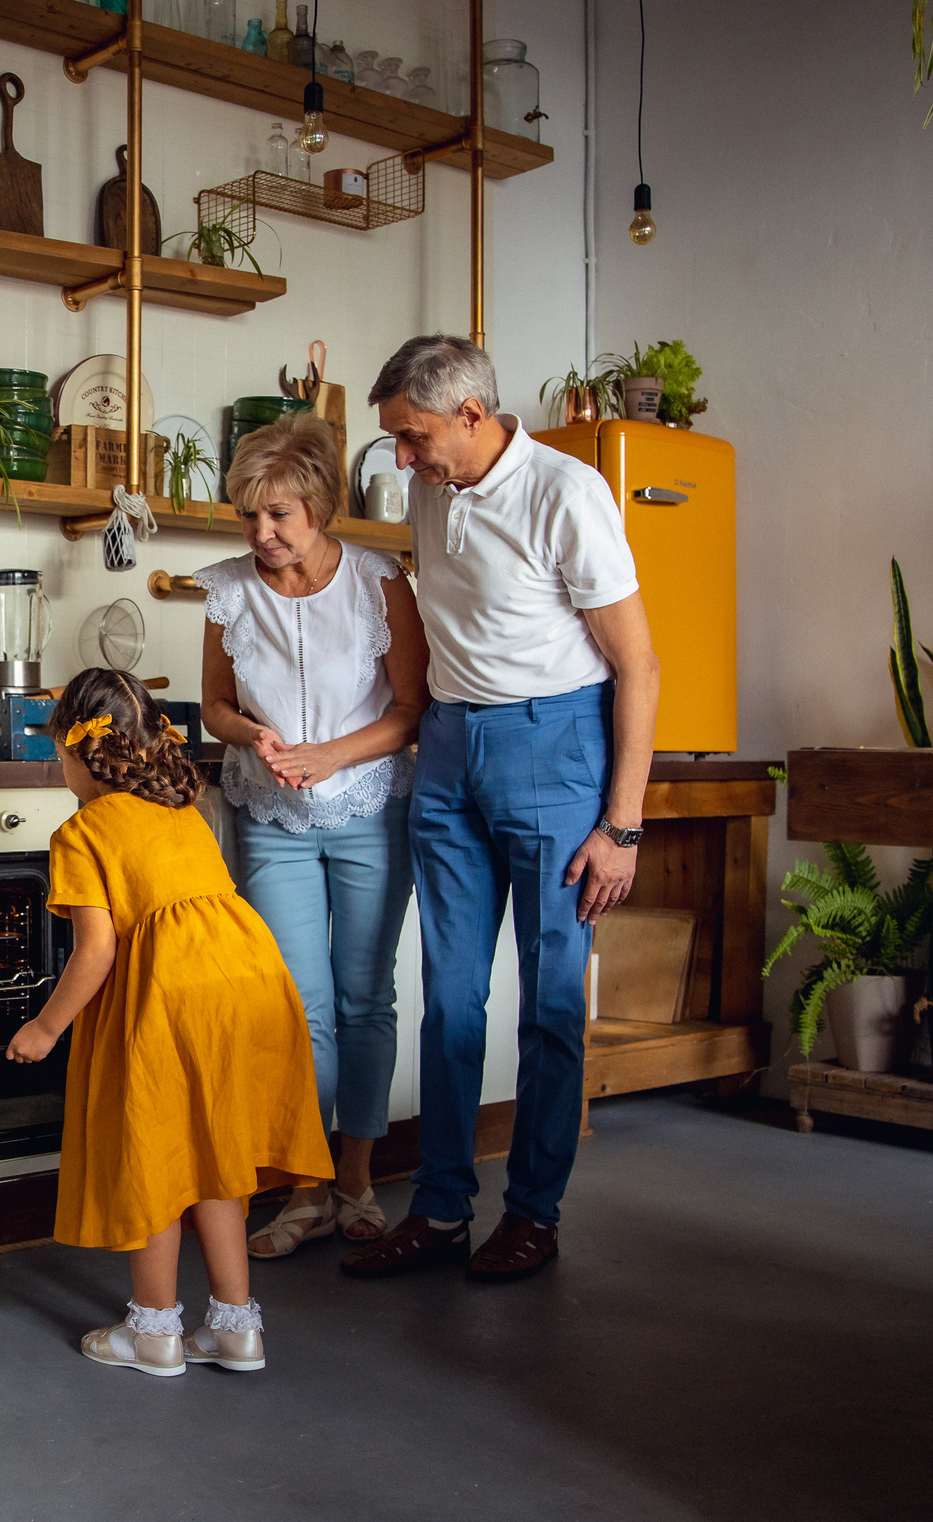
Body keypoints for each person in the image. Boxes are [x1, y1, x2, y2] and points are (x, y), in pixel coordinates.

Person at [341, 335, 661, 1285]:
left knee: (553, 998)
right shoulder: (431, 489)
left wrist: (623, 825)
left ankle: (534, 1213)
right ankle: (441, 1206)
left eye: (413, 436)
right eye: (395, 440)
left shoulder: (569, 495)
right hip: (449, 747)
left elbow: (638, 665)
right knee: (449, 994)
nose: (402, 458)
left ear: (473, 414)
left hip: (554, 748)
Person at [5, 670, 335, 1377]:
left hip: (171, 997)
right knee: (218, 1153)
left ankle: (154, 1332)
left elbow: (96, 951)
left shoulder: (83, 830)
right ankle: (236, 1327)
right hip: (246, 977)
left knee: (153, 1155)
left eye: (57, 756)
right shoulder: (184, 808)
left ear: (77, 752)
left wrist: (46, 1027)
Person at [196, 411, 428, 1260]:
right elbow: (215, 702)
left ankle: (358, 1181)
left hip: (370, 805)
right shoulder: (226, 589)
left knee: (365, 998)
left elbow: (411, 710)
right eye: (249, 515)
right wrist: (248, 734)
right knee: (298, 1007)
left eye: (280, 514)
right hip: (270, 817)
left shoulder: (378, 582)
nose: (262, 533)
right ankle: (306, 1190)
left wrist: (332, 753)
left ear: (320, 506)